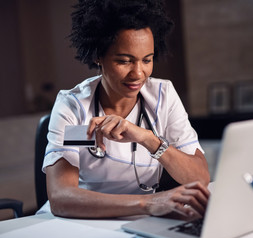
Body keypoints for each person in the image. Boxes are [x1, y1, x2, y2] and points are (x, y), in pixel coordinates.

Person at [38, 0, 210, 219]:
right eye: (124, 61)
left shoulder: (162, 96)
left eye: (147, 60)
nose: (138, 73)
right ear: (97, 56)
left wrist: (148, 139)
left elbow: (200, 177)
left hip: (136, 219)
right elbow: (62, 198)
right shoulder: (75, 107)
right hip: (77, 221)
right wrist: (148, 202)